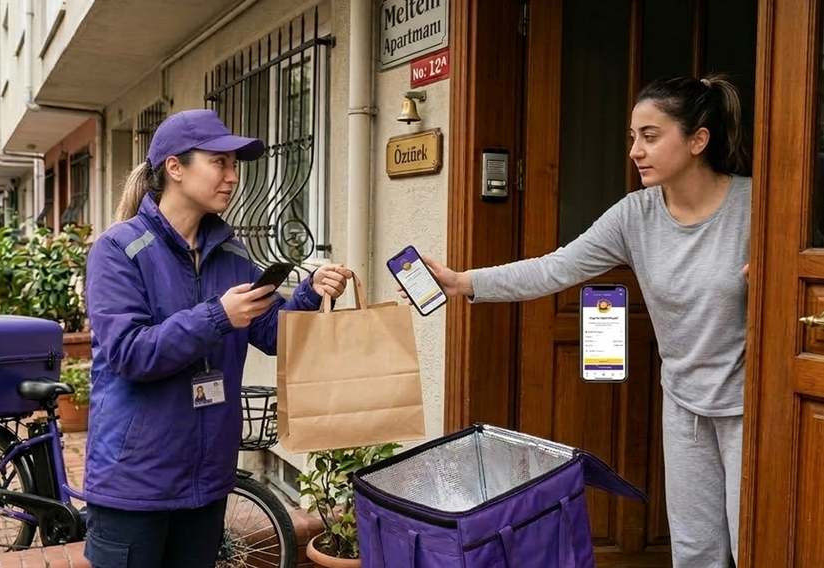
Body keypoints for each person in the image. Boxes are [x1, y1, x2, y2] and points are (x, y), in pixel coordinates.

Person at [405, 75, 750, 568]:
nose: (636, 150)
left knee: (754, 540)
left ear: (698, 140)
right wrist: (463, 282)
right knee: (696, 548)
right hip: (685, 402)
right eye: (633, 136)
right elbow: (555, 267)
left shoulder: (757, 208)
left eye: (650, 136)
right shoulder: (636, 215)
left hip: (751, 407)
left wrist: (776, 281)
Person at [82, 108, 353, 568]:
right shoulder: (119, 249)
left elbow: (268, 334)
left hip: (206, 477)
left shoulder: (230, 252)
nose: (232, 177)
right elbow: (130, 354)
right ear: (175, 167)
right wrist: (218, 315)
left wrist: (309, 294)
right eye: (219, 163)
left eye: (234, 166)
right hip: (135, 482)